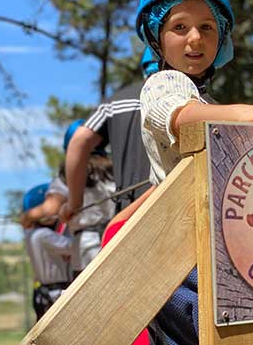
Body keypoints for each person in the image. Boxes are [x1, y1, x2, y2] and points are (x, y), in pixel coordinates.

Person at [135, 0, 253, 345]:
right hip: (186, 258)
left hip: (212, 252)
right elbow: (181, 117)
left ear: (221, 37)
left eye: (207, 27)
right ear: (157, 38)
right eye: (180, 27)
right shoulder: (163, 83)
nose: (195, 38)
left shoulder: (207, 99)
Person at [65, 47, 159, 214]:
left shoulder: (115, 103)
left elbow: (79, 140)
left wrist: (74, 203)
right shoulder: (192, 99)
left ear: (144, 66)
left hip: (129, 211)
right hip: (180, 209)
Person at [59, 120, 115, 276]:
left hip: (85, 246)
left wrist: (65, 211)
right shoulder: (113, 169)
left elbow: (66, 212)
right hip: (111, 239)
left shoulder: (69, 173)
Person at [22, 183, 73, 321]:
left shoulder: (30, 234)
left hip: (45, 292)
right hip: (56, 293)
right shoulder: (44, 235)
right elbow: (72, 247)